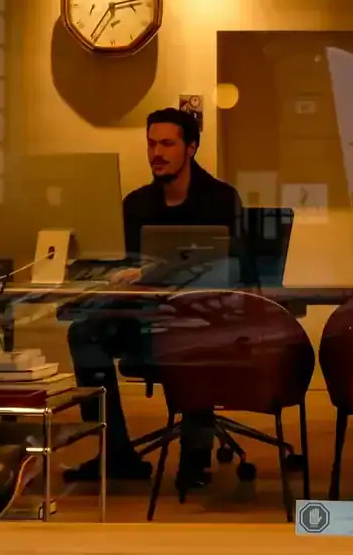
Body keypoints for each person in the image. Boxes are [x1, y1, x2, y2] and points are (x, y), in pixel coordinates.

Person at [64, 107, 243, 484]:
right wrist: (110, 274)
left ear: (190, 148)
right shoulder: (136, 204)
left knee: (193, 334)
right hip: (143, 314)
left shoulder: (221, 200)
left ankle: (195, 459)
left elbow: (228, 266)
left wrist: (152, 271)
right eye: (151, 143)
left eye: (167, 143)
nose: (156, 152)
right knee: (82, 333)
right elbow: (120, 262)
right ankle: (116, 455)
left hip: (199, 317)